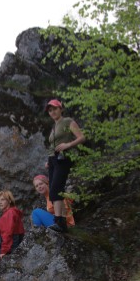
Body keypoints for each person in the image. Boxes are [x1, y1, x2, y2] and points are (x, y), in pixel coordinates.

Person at [45, 99, 86, 233]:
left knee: (55, 190)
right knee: (55, 190)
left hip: (64, 158)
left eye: (55, 109)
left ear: (61, 109)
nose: (53, 112)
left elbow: (81, 137)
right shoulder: (54, 127)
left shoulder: (68, 121)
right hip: (53, 159)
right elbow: (53, 145)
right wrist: (49, 160)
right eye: (50, 110)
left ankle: (59, 222)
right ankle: (62, 221)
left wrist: (68, 145)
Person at [0, 191, 25, 264]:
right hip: (12, 243)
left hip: (4, 244)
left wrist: (4, 251)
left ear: (9, 201)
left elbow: (7, 233)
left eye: (3, 200)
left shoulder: (9, 213)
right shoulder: (13, 212)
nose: (0, 202)